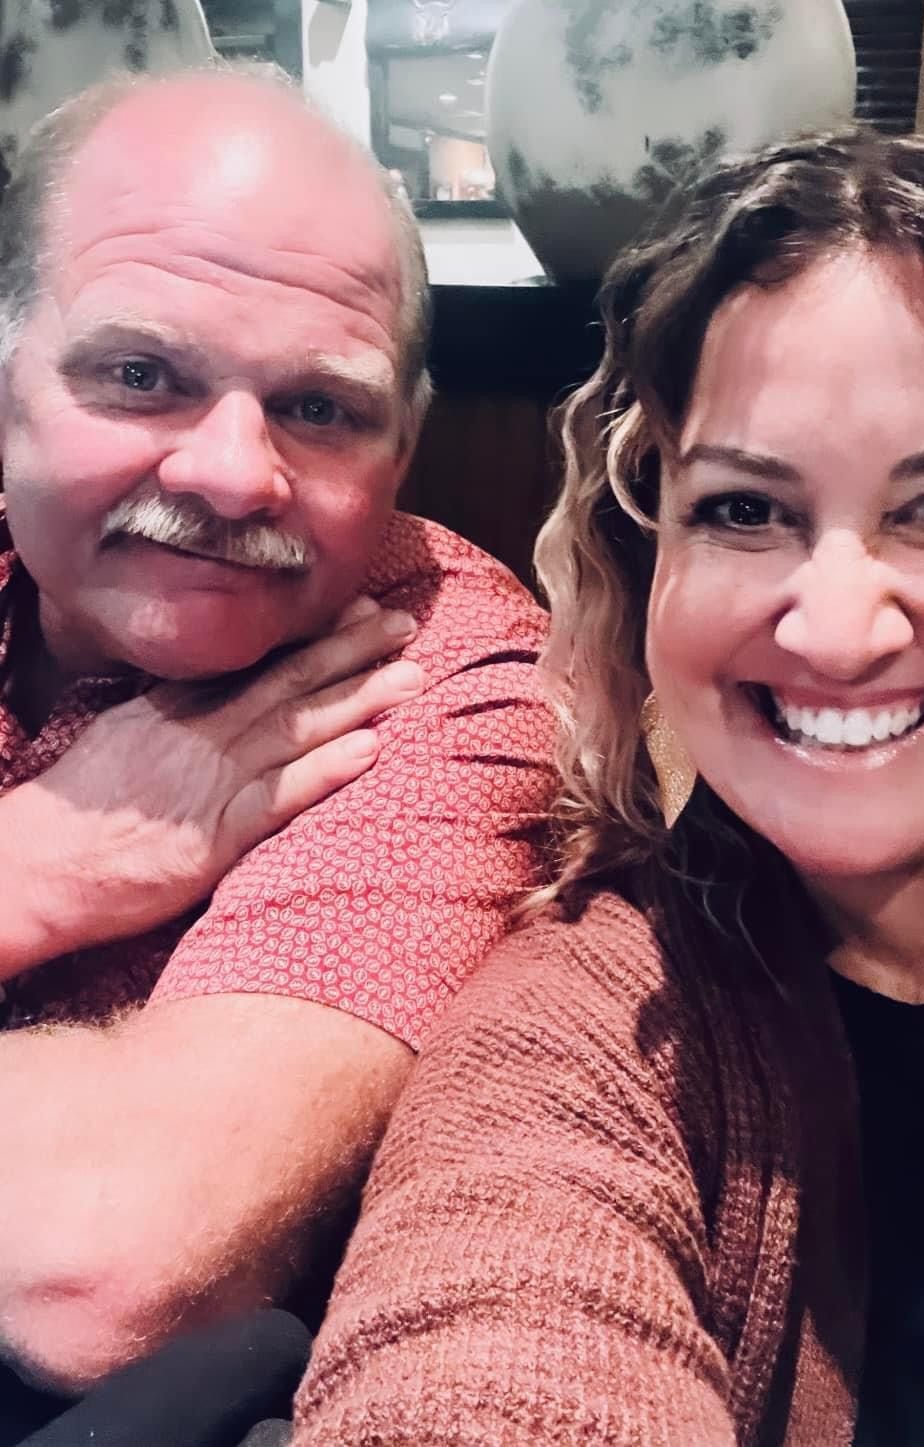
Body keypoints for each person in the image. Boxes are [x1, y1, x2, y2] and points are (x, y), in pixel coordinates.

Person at [292, 128, 924, 1447]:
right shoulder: (586, 1037)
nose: (831, 628)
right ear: (649, 565)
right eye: (744, 512)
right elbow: (490, 1334)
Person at [0, 60, 555, 1418]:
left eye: (317, 408)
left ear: (406, 442)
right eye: (140, 375)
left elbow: (108, 1262)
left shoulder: (444, 665)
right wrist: (30, 874)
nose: (233, 473)